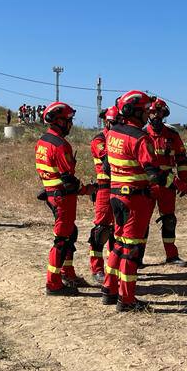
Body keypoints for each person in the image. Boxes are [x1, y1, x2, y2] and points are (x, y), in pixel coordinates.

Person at [101, 90, 159, 312]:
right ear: (135, 111)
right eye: (145, 111)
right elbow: (154, 174)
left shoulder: (112, 133)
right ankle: (127, 299)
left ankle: (109, 289)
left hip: (115, 196)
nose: (148, 115)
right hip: (135, 200)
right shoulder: (140, 138)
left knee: (118, 243)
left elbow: (107, 166)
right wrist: (182, 186)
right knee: (132, 250)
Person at [35, 102, 84, 295]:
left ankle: (67, 272)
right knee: (62, 239)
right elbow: (68, 180)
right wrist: (88, 189)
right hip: (62, 197)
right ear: (58, 121)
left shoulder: (43, 141)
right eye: (69, 120)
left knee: (71, 232)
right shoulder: (61, 145)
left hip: (52, 194)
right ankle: (53, 283)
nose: (71, 124)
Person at [143, 98, 187, 265]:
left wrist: (183, 182)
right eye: (153, 112)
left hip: (168, 183)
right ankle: (137, 257)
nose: (155, 115)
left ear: (164, 114)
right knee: (141, 221)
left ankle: (172, 255)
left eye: (159, 112)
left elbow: (181, 159)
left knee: (169, 219)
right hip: (146, 184)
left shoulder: (172, 135)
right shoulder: (141, 134)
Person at [88, 105, 117, 282]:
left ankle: (115, 267)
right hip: (105, 188)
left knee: (118, 231)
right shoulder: (99, 139)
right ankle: (97, 268)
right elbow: (107, 158)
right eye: (113, 122)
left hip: (121, 188)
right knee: (100, 231)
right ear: (106, 121)